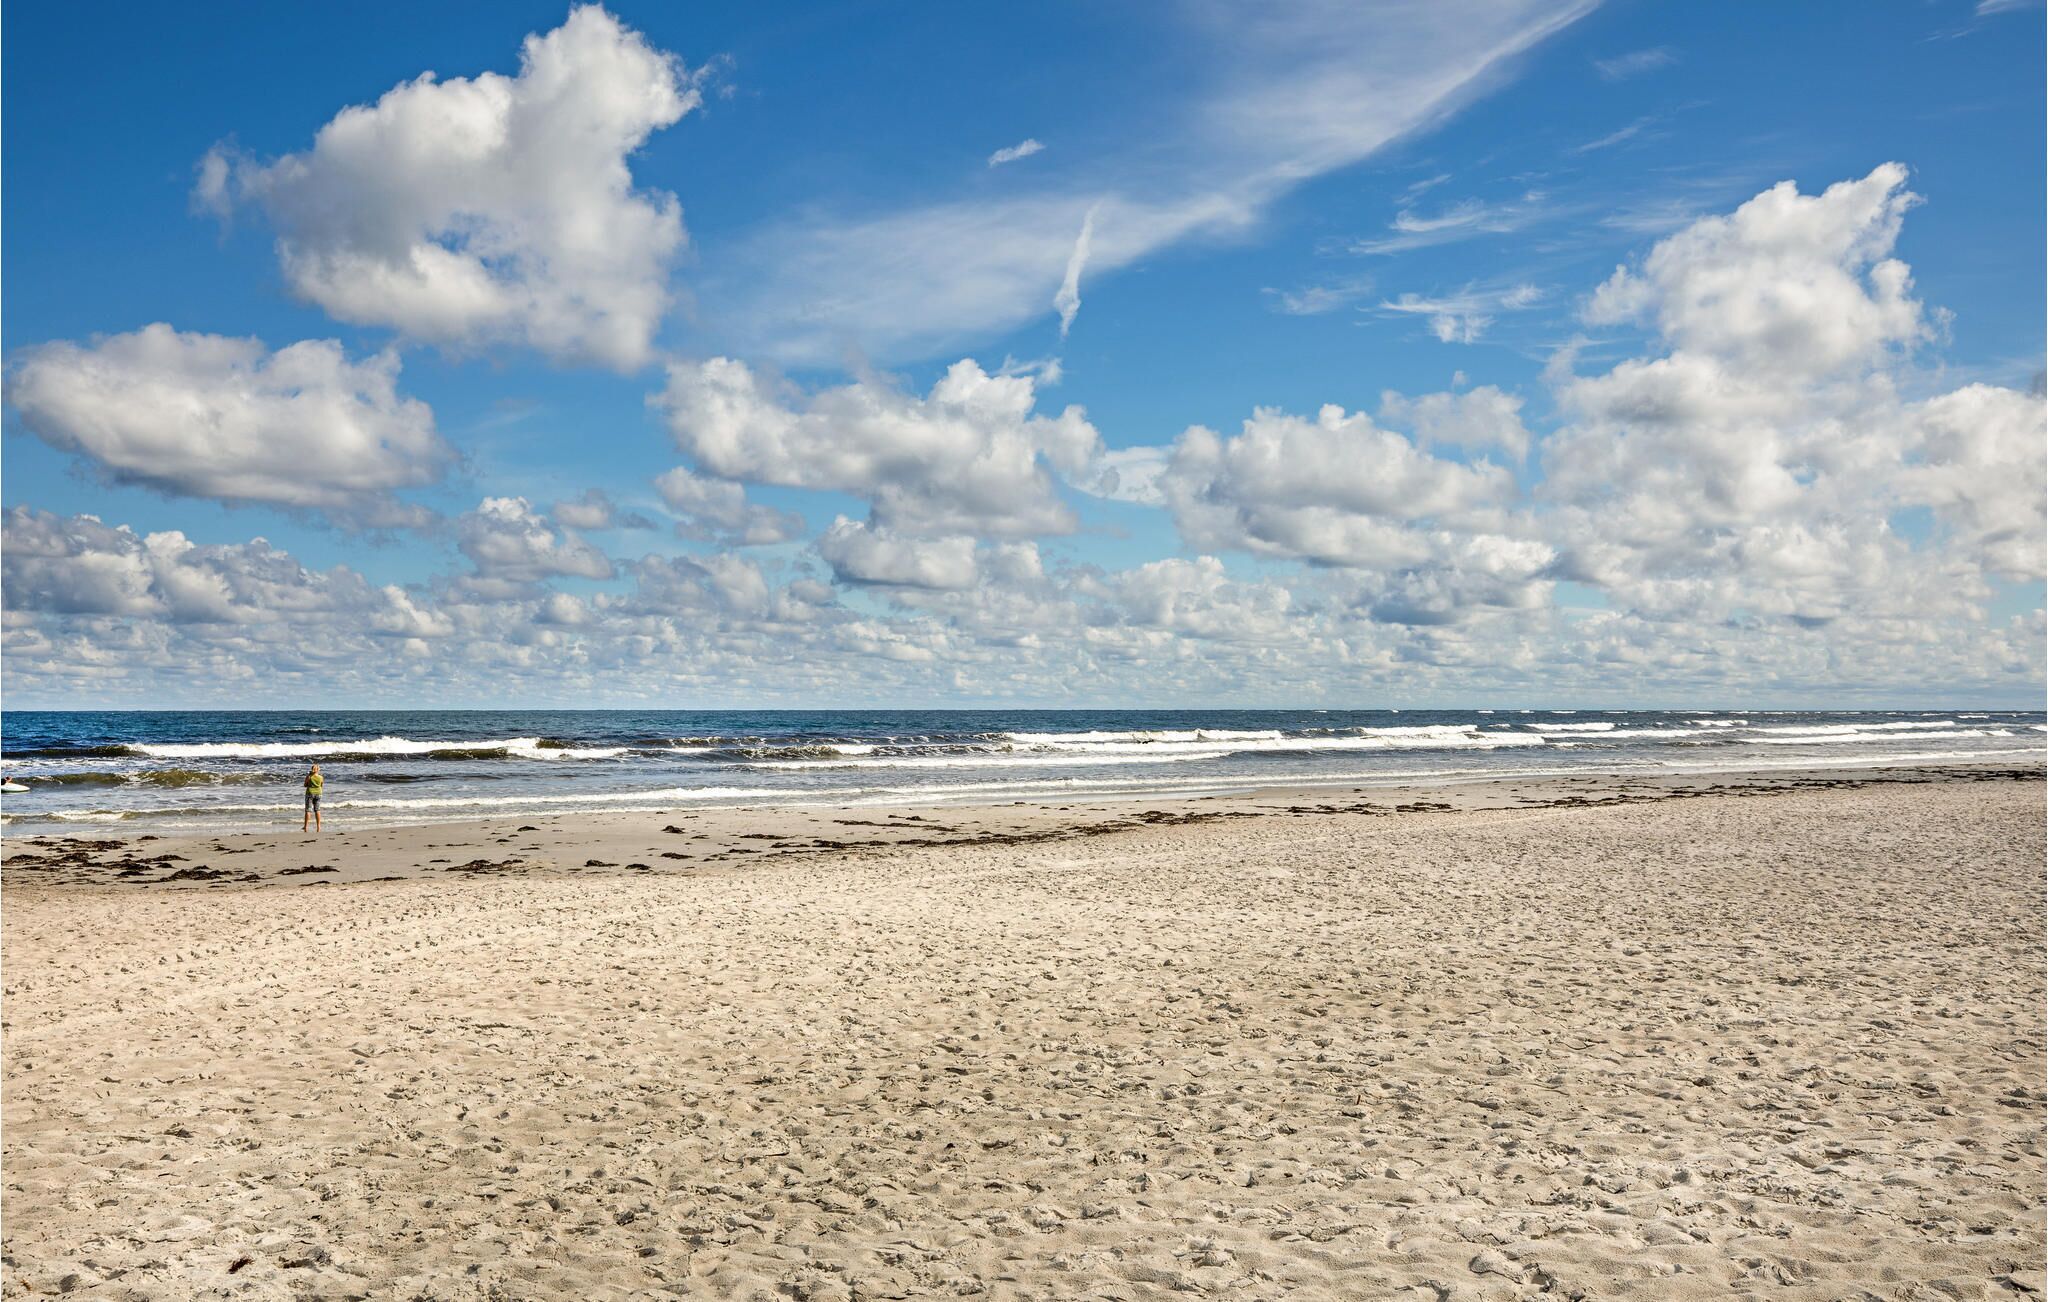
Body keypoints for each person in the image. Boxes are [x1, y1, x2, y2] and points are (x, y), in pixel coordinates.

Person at [303, 763, 324, 834]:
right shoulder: (321, 777)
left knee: (308, 810)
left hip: (310, 793)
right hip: (319, 793)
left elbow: (305, 785)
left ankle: (305, 826)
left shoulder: (309, 776)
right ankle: (318, 826)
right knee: (317, 810)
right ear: (318, 770)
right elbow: (321, 785)